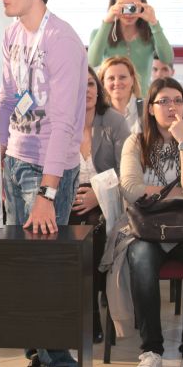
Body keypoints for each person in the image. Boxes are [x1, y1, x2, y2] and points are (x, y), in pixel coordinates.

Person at [0, 0, 87, 367]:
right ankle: (43, 361)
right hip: (16, 159)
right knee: (23, 268)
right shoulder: (12, 33)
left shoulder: (62, 39)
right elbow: (7, 97)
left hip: (48, 167)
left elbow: (65, 123)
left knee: (43, 269)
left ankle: (59, 365)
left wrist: (48, 193)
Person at [119, 78, 183, 367]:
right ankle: (151, 351)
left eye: (178, 100)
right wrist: (178, 194)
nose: (172, 106)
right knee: (140, 257)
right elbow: (130, 188)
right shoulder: (136, 142)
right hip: (148, 229)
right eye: (163, 101)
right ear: (150, 108)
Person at [69, 66, 130, 344]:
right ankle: (69, 310)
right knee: (64, 231)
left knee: (93, 232)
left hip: (107, 199)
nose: (87, 91)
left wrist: (97, 193)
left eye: (91, 84)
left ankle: (91, 311)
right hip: (68, 199)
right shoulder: (62, 122)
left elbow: (126, 172)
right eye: (80, 85)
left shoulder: (114, 121)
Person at [88, 0, 173, 95]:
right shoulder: (99, 33)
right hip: (110, 100)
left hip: (141, 100)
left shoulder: (151, 33)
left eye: (133, 7)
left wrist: (153, 22)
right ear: (113, 6)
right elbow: (93, 61)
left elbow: (167, 58)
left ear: (143, 6)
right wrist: (107, 21)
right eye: (123, 7)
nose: (129, 12)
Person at [99, 56, 143, 133]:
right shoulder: (98, 114)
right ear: (103, 83)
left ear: (132, 80)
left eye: (122, 77)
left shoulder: (147, 108)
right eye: (111, 78)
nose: (117, 83)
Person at [151, 56, 183, 127]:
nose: (159, 74)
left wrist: (173, 128)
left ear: (173, 72)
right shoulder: (143, 89)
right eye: (155, 69)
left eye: (164, 69)